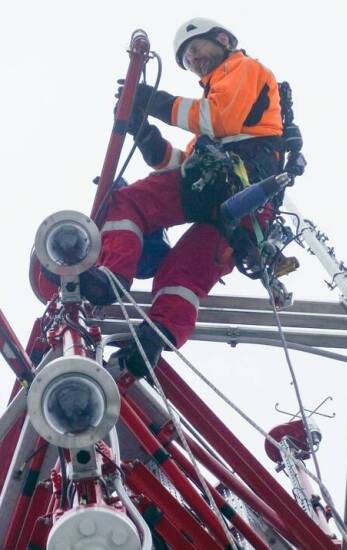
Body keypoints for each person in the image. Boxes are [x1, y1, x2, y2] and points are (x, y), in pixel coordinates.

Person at [80, 18, 295, 377]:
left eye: (195, 49)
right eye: (187, 58)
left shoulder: (244, 69)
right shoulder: (214, 121)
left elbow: (218, 118)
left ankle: (125, 293)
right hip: (232, 197)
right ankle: (143, 325)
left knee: (133, 210)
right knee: (180, 269)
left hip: (233, 183)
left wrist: (153, 101)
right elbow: (183, 163)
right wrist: (145, 135)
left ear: (223, 40)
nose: (193, 60)